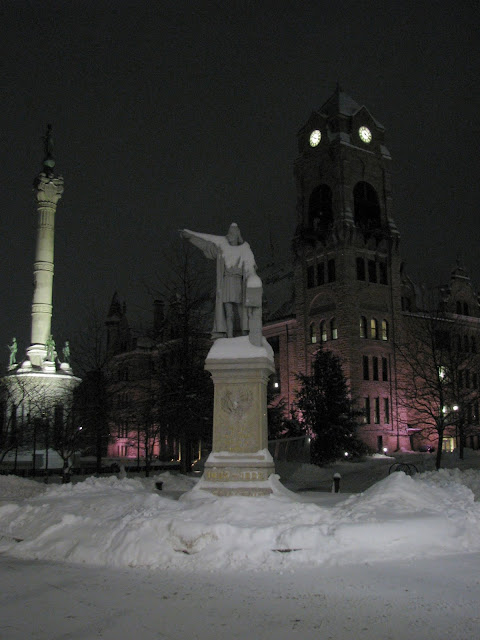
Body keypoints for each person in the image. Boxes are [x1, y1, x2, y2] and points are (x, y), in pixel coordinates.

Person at [180, 223, 263, 345]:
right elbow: (206, 243)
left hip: (239, 284)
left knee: (242, 311)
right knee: (228, 313)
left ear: (237, 234)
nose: (230, 235)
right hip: (226, 284)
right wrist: (190, 236)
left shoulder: (245, 249)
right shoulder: (222, 247)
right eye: (229, 232)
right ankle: (229, 337)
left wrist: (252, 279)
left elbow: (251, 268)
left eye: (232, 233)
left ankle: (245, 335)